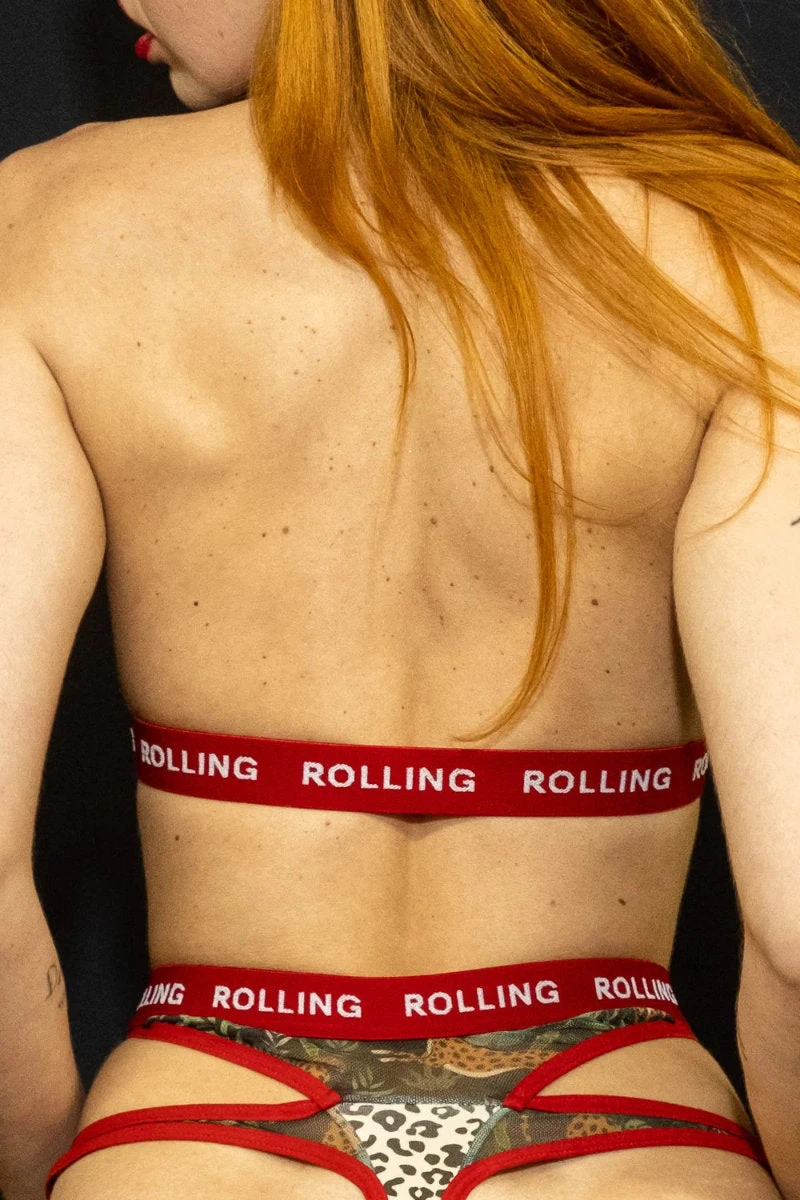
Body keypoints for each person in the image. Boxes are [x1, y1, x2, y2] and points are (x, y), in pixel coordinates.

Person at [1, 0, 800, 1197]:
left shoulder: (41, 223)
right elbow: (795, 932)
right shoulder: (750, 247)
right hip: (621, 1119)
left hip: (196, 1127)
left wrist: (49, 1174)